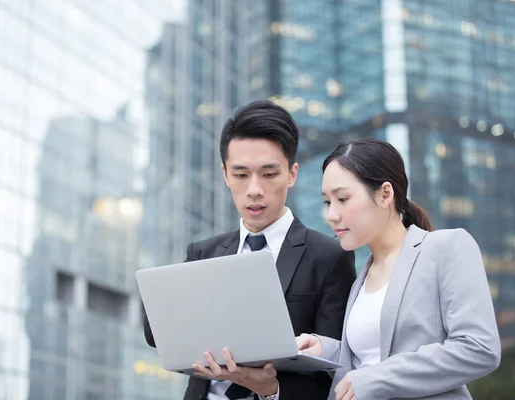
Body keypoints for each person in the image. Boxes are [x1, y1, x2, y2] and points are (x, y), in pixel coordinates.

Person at [143, 100, 356, 400]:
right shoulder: (203, 253)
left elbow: (333, 373)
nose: (254, 189)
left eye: (269, 174)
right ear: (226, 174)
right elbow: (157, 334)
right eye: (241, 175)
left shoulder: (329, 257)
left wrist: (269, 388)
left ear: (292, 174)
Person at [296, 137, 501, 400]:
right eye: (327, 202)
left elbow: (479, 347)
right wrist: (325, 349)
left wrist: (379, 378)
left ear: (385, 194)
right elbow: (373, 358)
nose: (332, 215)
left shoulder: (445, 247)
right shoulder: (362, 276)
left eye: (343, 199)